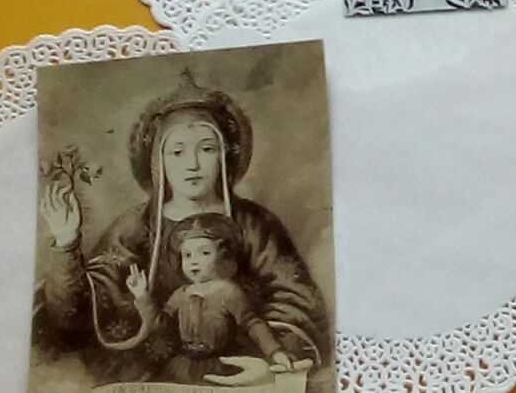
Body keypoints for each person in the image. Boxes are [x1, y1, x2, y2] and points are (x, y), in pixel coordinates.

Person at [35, 73, 331, 391]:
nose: (193, 164)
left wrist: (271, 365)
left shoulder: (253, 223)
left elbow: (294, 302)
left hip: (242, 375)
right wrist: (66, 243)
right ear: (158, 162)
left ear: (224, 156)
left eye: (206, 149)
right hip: (152, 378)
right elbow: (76, 313)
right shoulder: (135, 227)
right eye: (177, 152)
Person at [102, 214, 303, 384]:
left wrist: (275, 352)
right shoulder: (181, 294)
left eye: (204, 253)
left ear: (222, 256)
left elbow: (253, 324)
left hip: (221, 366)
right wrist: (141, 295)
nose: (194, 261)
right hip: (182, 367)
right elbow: (161, 326)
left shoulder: (229, 292)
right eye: (187, 255)